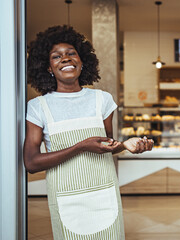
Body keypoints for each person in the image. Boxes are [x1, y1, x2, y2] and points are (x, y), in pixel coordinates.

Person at [23, 25, 153, 239]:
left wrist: (127, 144)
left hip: (104, 194)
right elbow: (32, 162)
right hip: (66, 198)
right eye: (56, 56)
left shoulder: (102, 100)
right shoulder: (38, 107)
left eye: (71, 53)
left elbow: (107, 145)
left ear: (82, 61)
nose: (65, 59)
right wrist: (80, 147)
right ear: (48, 67)